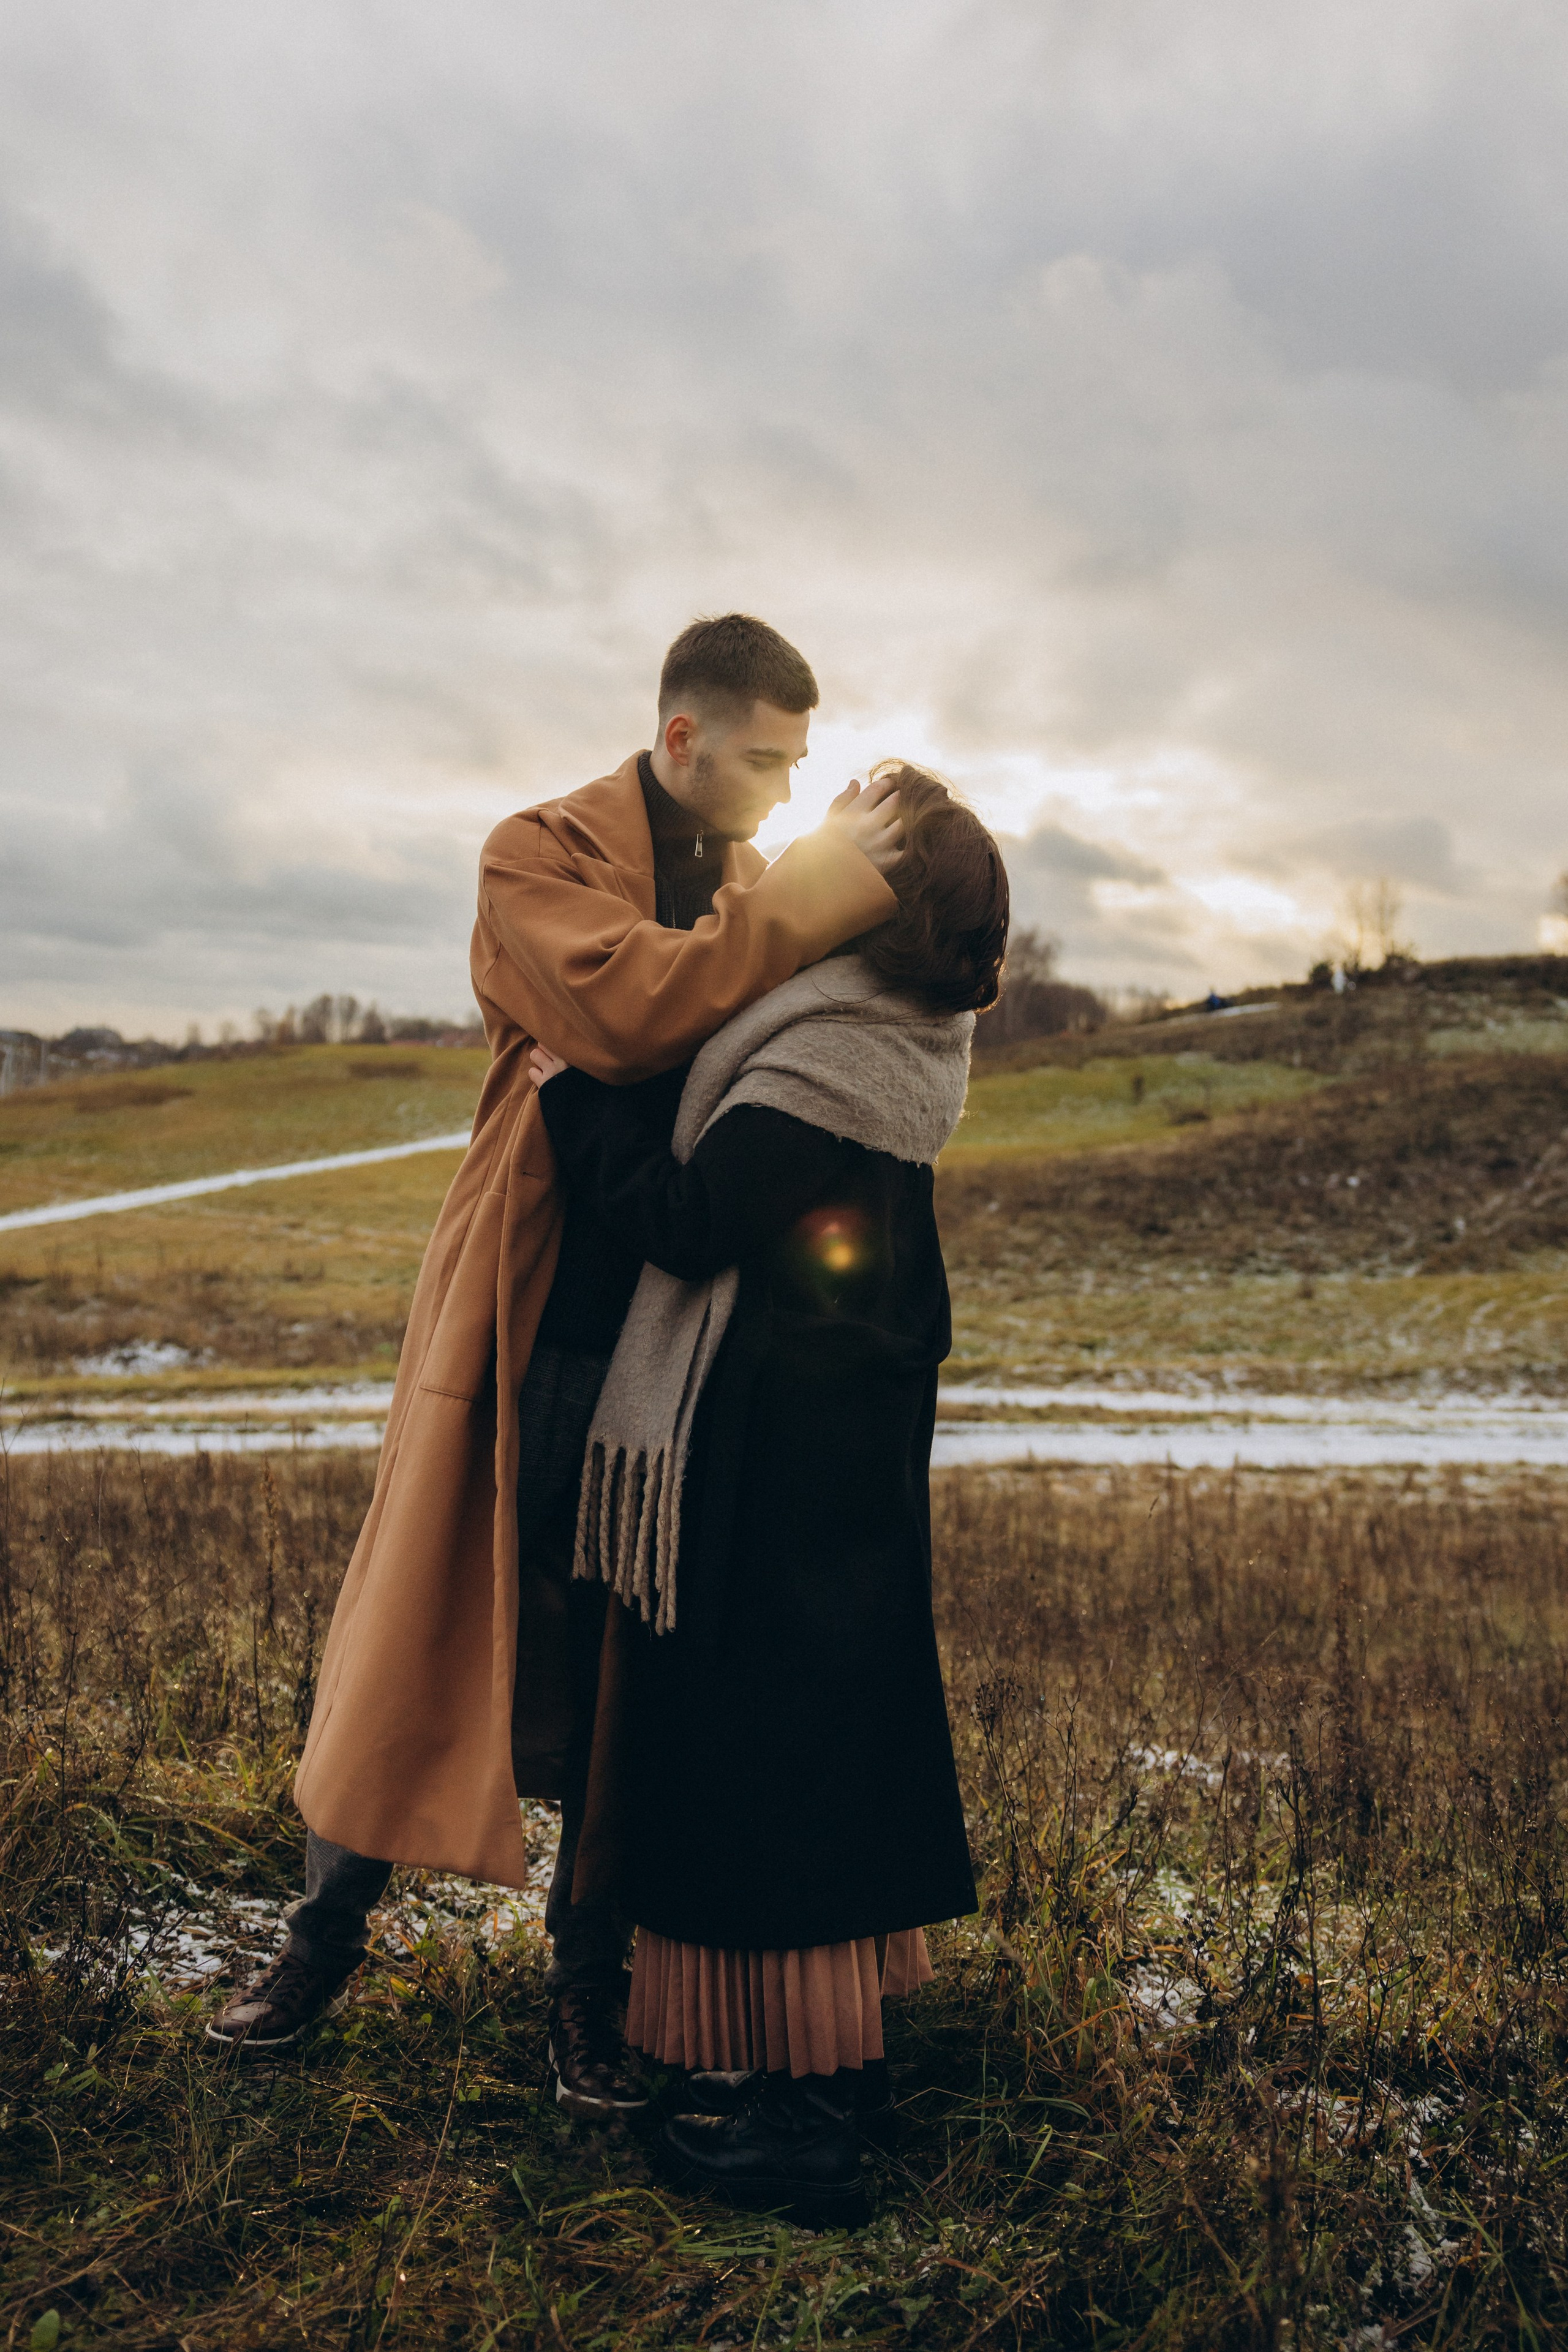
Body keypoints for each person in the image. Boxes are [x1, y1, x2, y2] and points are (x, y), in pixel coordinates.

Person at [207, 616, 905, 2120]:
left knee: (614, 1655)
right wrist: (777, 928)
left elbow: (710, 1022)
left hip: (657, 1308)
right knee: (418, 1618)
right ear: (679, 740)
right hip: (517, 1299)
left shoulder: (734, 887)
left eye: (799, 767)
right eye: (764, 761)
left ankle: (587, 1995)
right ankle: (318, 1942)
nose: (784, 797)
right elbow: (631, 1009)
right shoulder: (532, 853)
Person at [529, 763, 1008, 2220]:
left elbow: (691, 1219)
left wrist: (574, 1090)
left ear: (881, 905)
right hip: (827, 1458)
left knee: (761, 1771)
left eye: (849, 853)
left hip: (767, 1468)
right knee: (814, 1759)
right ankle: (820, 2074)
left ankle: (795, 2126)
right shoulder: (899, 1039)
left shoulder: (825, 1056)